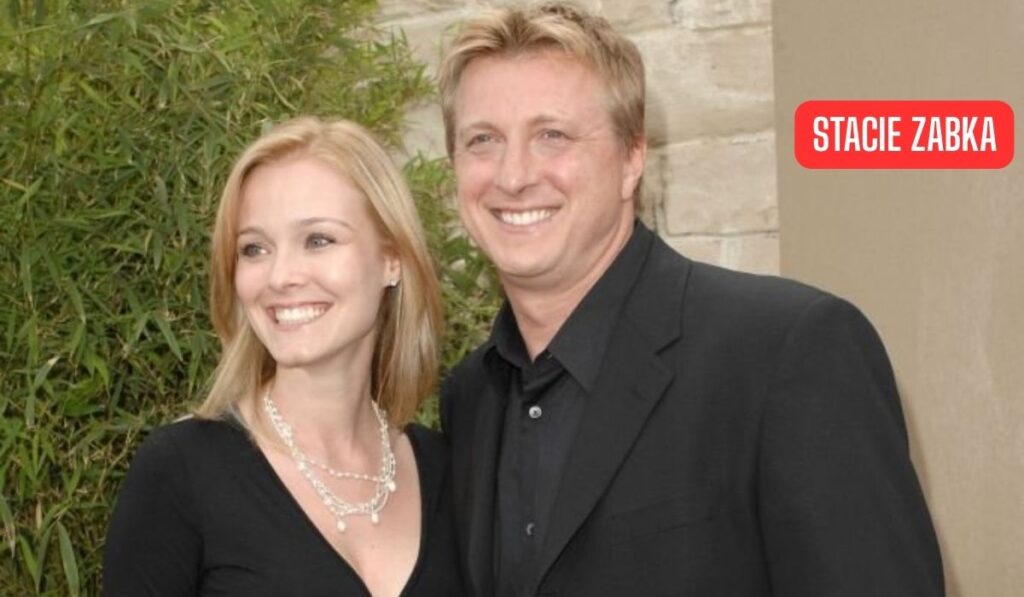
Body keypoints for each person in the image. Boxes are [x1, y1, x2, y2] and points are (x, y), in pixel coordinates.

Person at [437, 4, 944, 596]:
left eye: (553, 135)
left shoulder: (787, 351)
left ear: (632, 158)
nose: (513, 175)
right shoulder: (469, 398)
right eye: (483, 140)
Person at [104, 117, 464, 596]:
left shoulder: (450, 470)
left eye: (318, 240)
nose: (280, 276)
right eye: (255, 249)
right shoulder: (181, 472)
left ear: (391, 258)